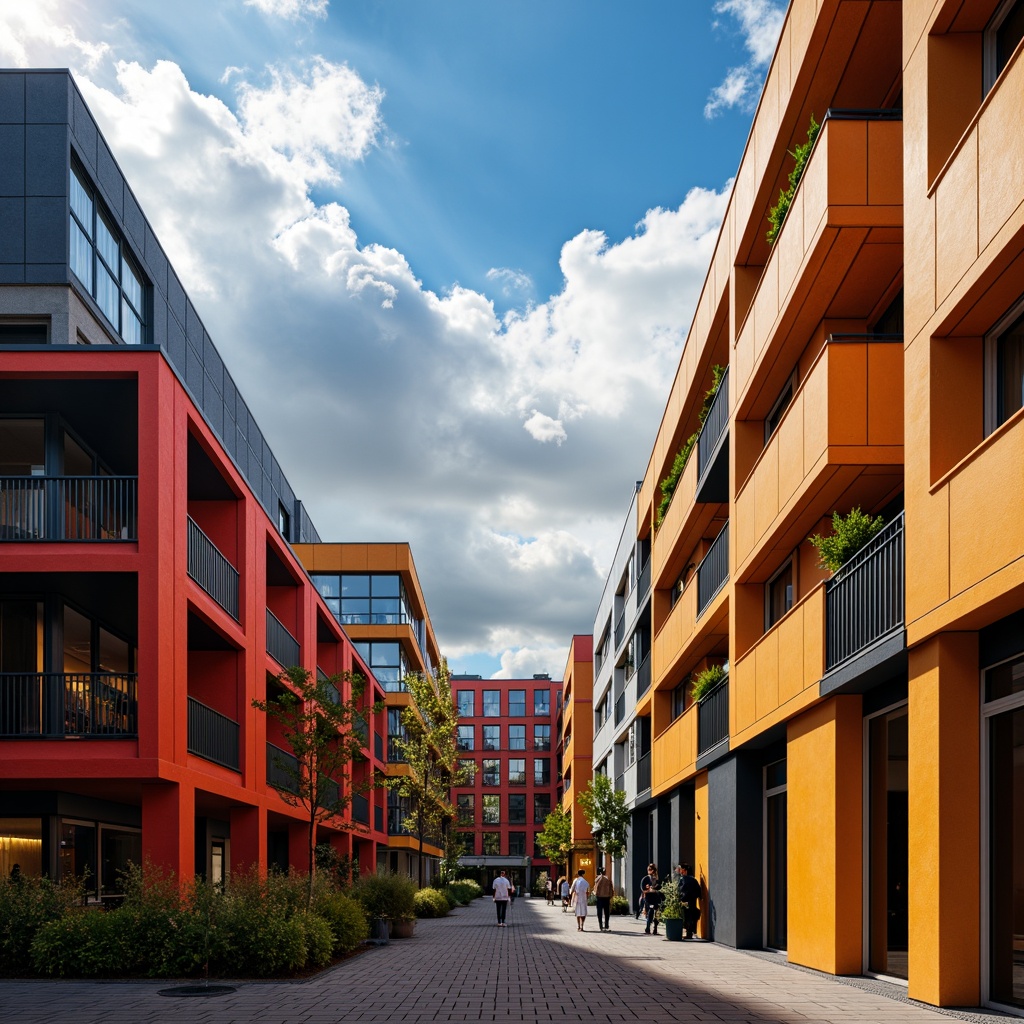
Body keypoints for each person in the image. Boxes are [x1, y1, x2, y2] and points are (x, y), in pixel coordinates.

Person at [675, 863, 701, 939]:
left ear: (684, 870)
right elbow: (698, 891)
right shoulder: (692, 879)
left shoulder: (685, 879)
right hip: (692, 900)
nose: (679, 870)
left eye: (680, 869)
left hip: (686, 901)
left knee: (687, 916)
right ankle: (690, 932)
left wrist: (681, 898)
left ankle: (689, 933)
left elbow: (682, 890)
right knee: (690, 916)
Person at [641, 863, 662, 935]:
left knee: (656, 913)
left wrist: (656, 888)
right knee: (650, 911)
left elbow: (660, 887)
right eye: (648, 869)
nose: (648, 871)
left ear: (653, 870)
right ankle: (647, 928)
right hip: (649, 898)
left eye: (650, 869)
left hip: (655, 897)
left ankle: (655, 928)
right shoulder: (645, 879)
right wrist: (649, 890)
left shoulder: (657, 879)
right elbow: (643, 889)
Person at [593, 866, 614, 931]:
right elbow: (611, 888)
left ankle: (601, 925)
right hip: (607, 897)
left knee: (599, 912)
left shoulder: (598, 879)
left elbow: (595, 888)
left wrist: (595, 893)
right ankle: (606, 924)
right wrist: (611, 895)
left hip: (600, 897)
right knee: (607, 912)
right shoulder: (608, 879)